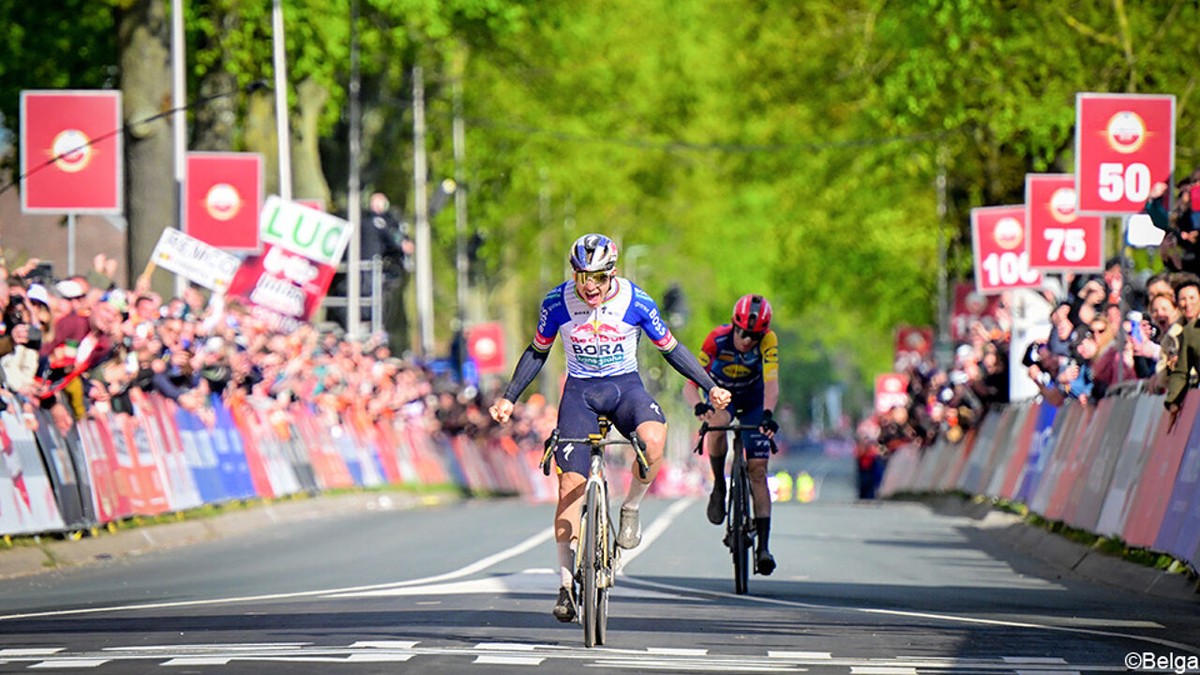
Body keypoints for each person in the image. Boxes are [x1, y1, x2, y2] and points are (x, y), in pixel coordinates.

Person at [488, 233, 731, 623]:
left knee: (653, 439)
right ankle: (565, 584)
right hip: (580, 393)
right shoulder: (557, 302)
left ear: (612, 274)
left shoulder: (636, 301)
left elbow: (671, 349)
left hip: (625, 389)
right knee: (570, 486)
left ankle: (630, 507)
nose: (590, 287)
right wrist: (509, 397)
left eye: (599, 278)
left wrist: (710, 386)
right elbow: (538, 351)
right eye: (582, 277)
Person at [682, 293, 780, 575]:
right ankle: (719, 486)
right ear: (733, 325)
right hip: (723, 396)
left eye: (754, 336)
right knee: (716, 425)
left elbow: (772, 382)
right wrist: (698, 405)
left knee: (758, 471)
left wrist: (768, 414)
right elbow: (690, 384)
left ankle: (763, 548)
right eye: (743, 333)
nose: (748, 340)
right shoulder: (716, 339)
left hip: (754, 400)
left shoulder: (768, 340)